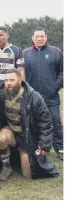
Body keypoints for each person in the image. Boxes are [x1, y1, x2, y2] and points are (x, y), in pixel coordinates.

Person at [0, 68, 59, 180]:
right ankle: (6, 167)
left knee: (28, 174)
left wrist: (44, 145)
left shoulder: (34, 97)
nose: (9, 83)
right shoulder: (1, 94)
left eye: (12, 80)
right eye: (6, 80)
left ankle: (21, 158)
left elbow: (46, 122)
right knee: (1, 137)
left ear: (20, 80)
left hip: (27, 135)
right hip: (11, 131)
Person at [23, 28, 63, 160]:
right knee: (32, 122)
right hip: (31, 95)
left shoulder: (56, 52)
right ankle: (35, 146)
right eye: (37, 36)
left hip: (50, 95)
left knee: (55, 121)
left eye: (42, 36)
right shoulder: (25, 53)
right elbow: (20, 73)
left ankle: (60, 148)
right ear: (32, 38)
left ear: (46, 37)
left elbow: (62, 72)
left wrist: (55, 87)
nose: (39, 39)